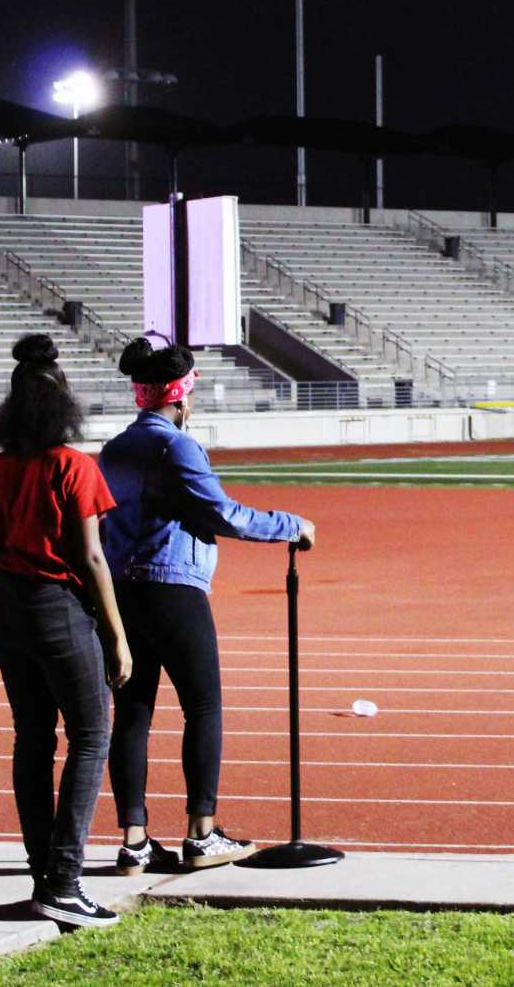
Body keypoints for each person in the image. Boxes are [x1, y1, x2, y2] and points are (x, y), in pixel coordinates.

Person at [101, 336, 315, 873]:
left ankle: (134, 841)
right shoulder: (178, 446)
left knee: (132, 713)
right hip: (173, 588)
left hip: (124, 591)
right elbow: (224, 514)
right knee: (203, 706)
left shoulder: (115, 448)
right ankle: (201, 833)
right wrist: (293, 525)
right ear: (180, 397)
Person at [0, 335, 132, 928]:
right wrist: (118, 636)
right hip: (57, 607)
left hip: (7, 609)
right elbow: (92, 560)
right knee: (92, 735)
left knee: (33, 740)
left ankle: (43, 870)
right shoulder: (73, 466)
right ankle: (64, 879)